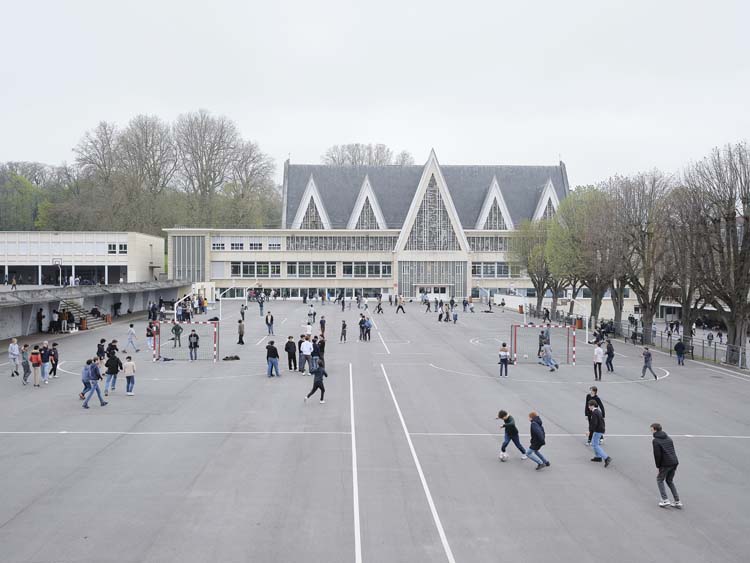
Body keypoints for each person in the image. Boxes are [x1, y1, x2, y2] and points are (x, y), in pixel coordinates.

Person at [651, 422, 682, 508]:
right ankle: (677, 501)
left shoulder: (655, 441)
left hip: (666, 464)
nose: (650, 430)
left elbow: (657, 455)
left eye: (651, 428)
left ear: (654, 429)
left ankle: (665, 500)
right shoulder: (668, 438)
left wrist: (658, 466)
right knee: (669, 481)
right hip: (674, 462)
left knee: (659, 480)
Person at [588, 400, 612, 467]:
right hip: (600, 429)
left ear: (592, 405)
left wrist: (589, 431)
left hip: (598, 430)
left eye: (589, 405)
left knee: (595, 445)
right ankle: (598, 457)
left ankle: (606, 458)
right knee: (594, 443)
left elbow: (594, 424)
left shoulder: (594, 413)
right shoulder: (598, 411)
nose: (588, 407)